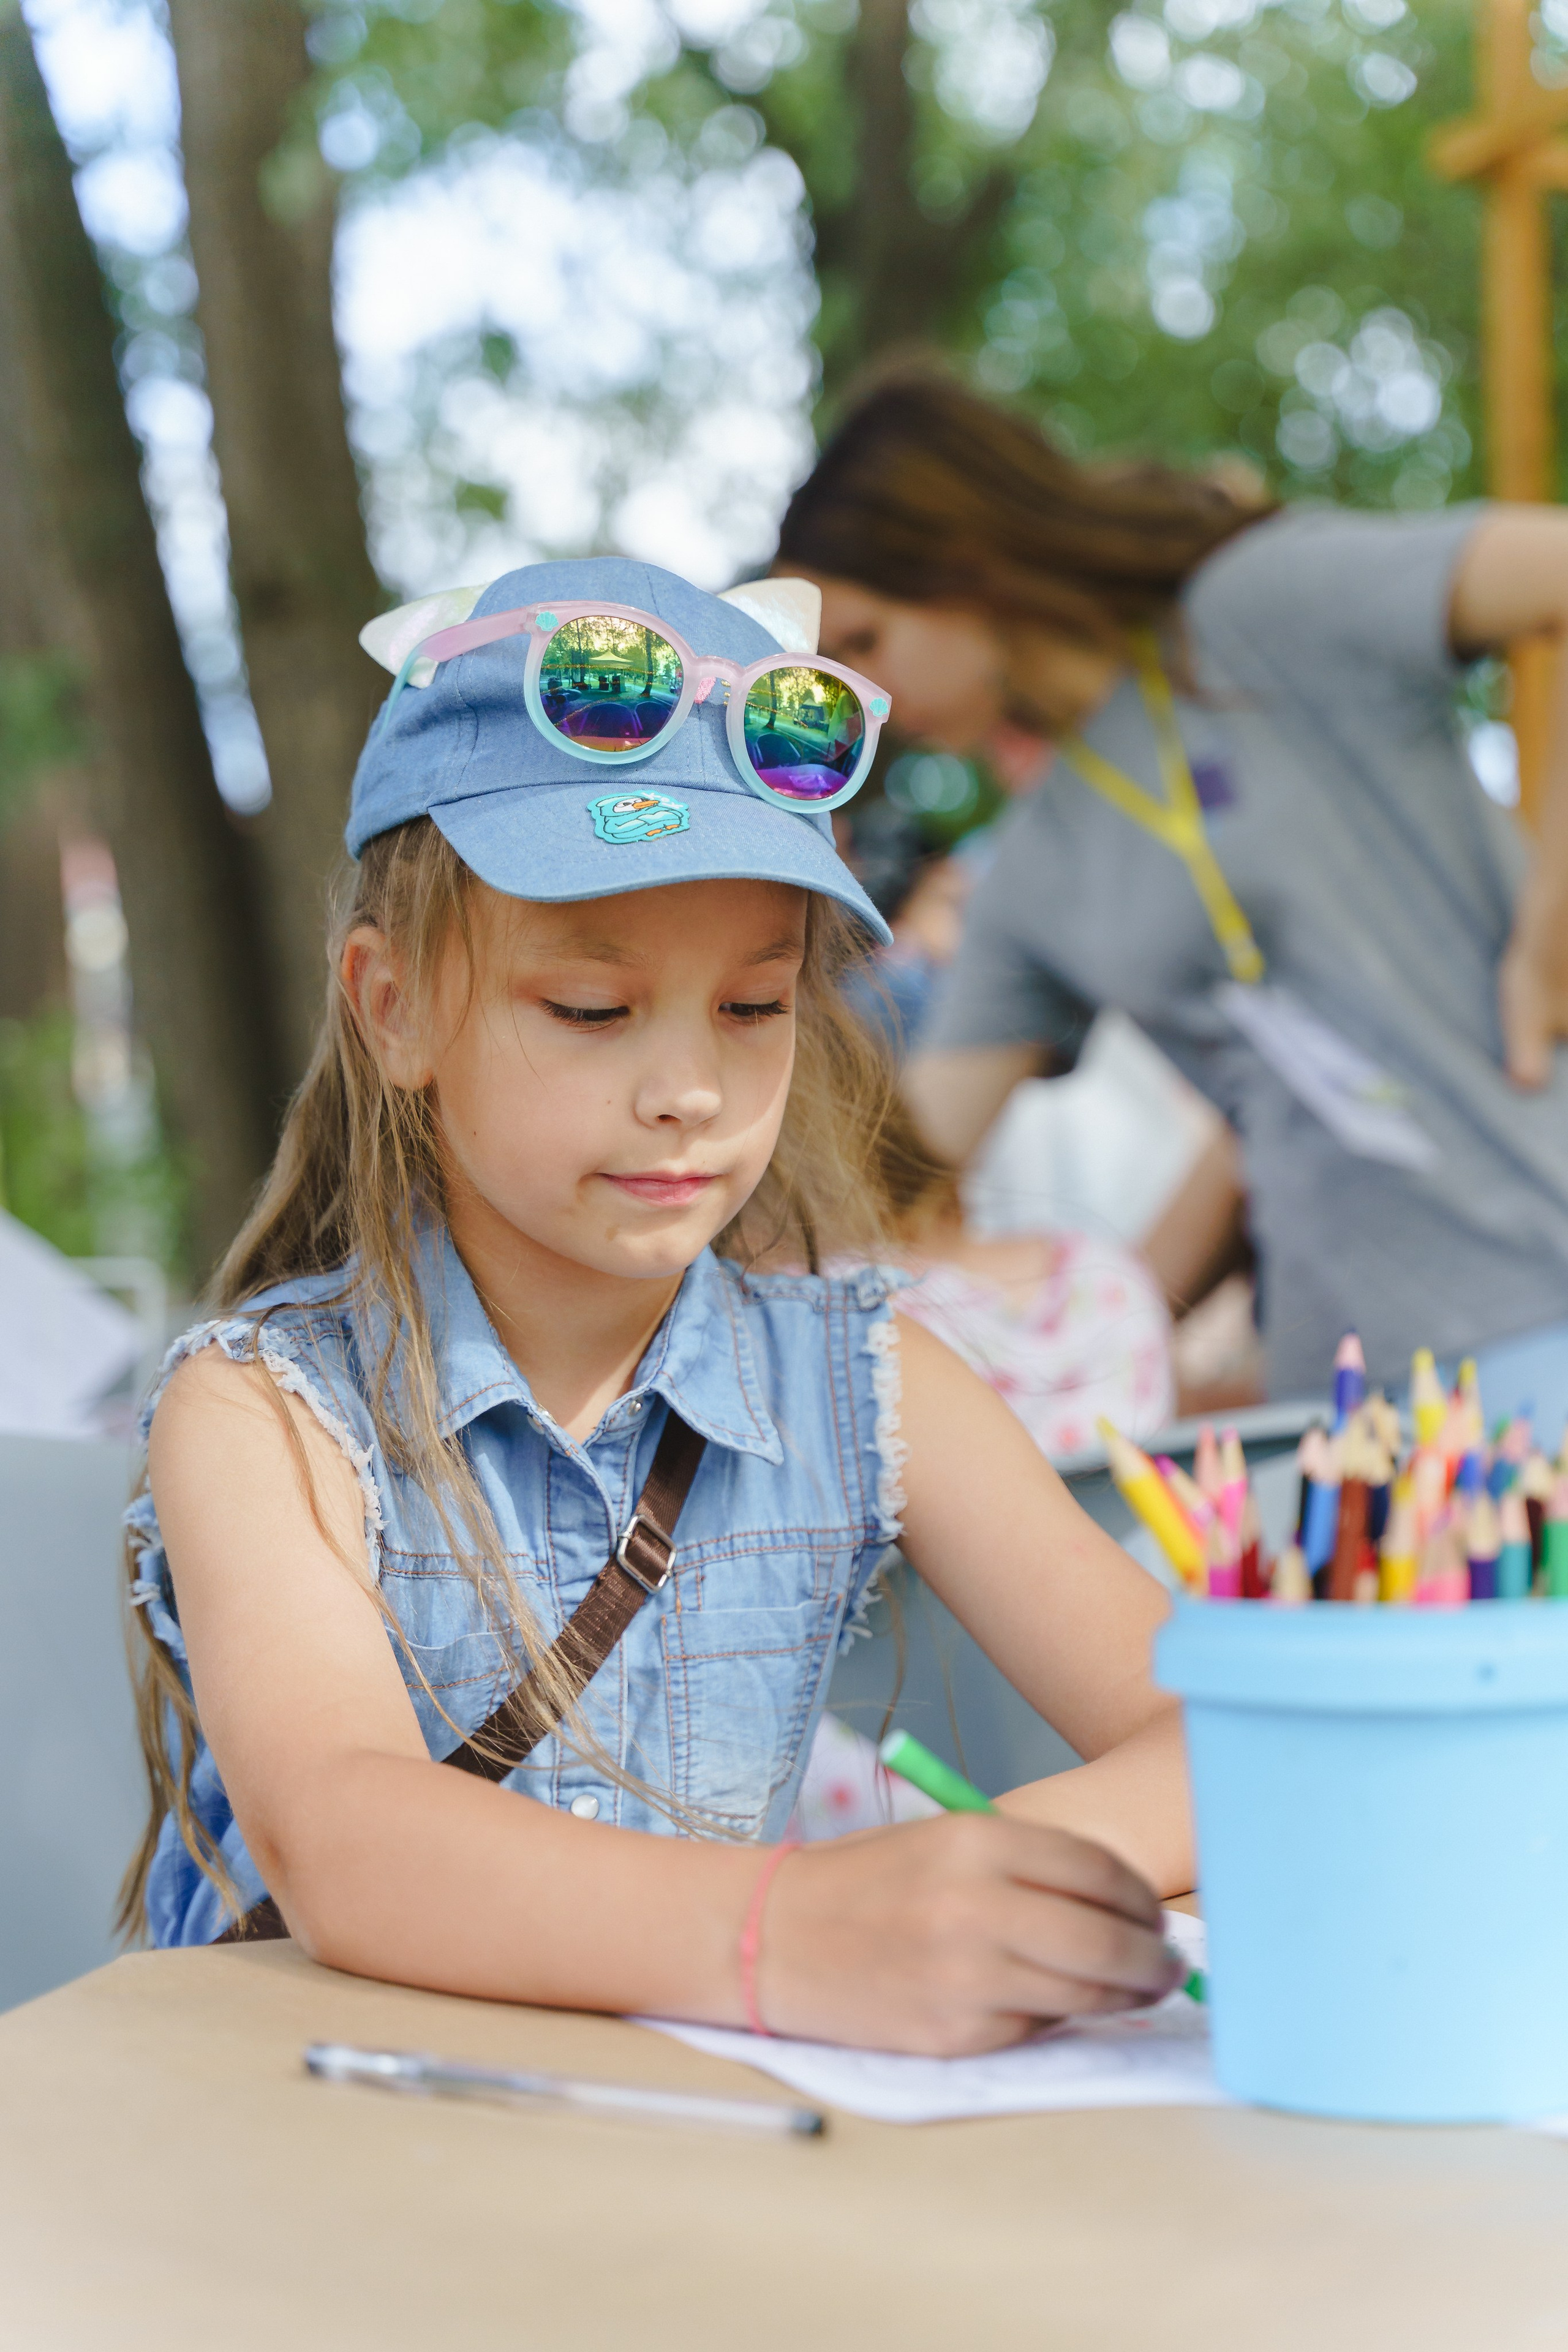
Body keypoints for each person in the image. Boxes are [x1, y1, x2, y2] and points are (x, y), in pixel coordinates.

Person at [121, 558, 1188, 2056]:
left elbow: (1217, 1733)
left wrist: (955, 1897)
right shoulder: (260, 1409)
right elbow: (344, 1840)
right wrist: (793, 1931)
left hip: (684, 2144)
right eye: (592, 1009)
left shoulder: (872, 1380)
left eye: (753, 1007)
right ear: (392, 1005)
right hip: (322, 2176)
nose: (688, 1088)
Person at [775, 369, 1568, 1424]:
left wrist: (1549, 943)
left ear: (963, 563)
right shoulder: (1031, 874)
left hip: (1544, 1284)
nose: (868, 704)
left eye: (865, 646)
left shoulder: (1256, 608)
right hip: (1346, 1393)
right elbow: (904, 1164)